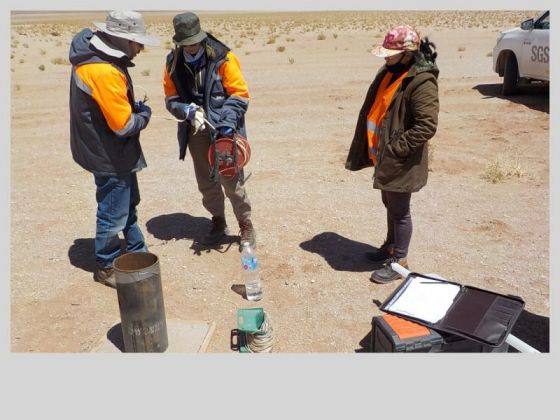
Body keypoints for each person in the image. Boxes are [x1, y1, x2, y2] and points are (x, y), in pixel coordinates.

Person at [69, 10, 159, 288]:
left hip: (106, 149)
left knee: (126, 203)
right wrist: (144, 114)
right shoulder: (103, 70)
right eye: (137, 42)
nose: (141, 48)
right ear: (121, 39)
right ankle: (106, 265)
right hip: (109, 154)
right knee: (112, 210)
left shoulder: (95, 60)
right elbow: (123, 125)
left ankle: (136, 250)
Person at [345, 25, 439, 284]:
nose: (386, 57)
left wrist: (396, 149)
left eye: (390, 53)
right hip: (385, 156)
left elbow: (426, 126)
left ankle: (400, 261)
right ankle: (389, 246)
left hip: (400, 159)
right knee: (390, 203)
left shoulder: (422, 81)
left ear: (407, 54)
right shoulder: (389, 72)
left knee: (400, 211)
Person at [162, 11, 256, 251]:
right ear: (178, 42)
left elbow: (239, 94)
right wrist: (186, 111)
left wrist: (226, 123)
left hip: (224, 129)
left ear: (201, 36)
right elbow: (170, 98)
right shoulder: (172, 62)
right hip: (196, 130)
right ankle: (218, 221)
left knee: (230, 178)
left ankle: (245, 225)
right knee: (206, 180)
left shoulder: (223, 57)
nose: (191, 48)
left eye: (194, 42)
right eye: (186, 44)